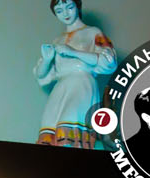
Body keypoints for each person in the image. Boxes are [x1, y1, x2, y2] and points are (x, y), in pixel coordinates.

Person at [34, 0, 115, 149]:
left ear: (77, 7)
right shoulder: (57, 40)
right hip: (61, 87)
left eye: (69, 7)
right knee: (48, 129)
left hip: (81, 83)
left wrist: (74, 52)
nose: (65, 13)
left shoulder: (93, 32)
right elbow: (41, 76)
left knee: (68, 126)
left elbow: (109, 60)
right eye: (59, 11)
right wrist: (46, 60)